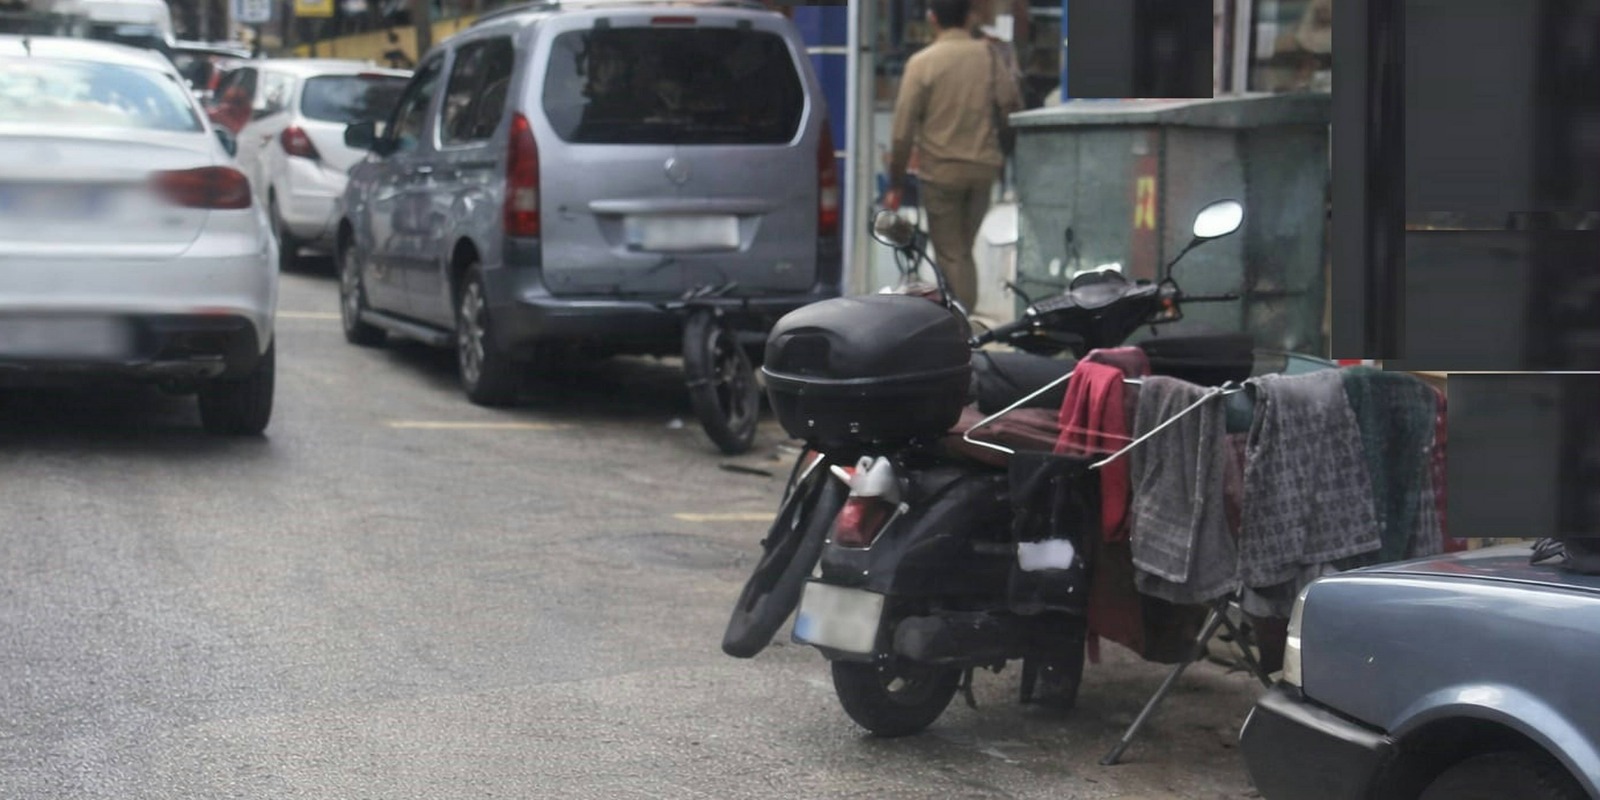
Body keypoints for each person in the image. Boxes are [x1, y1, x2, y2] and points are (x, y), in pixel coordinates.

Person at [884, 0, 1022, 314]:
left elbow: (902, 132)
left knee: (951, 252)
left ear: (932, 19)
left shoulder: (922, 63)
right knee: (962, 248)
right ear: (969, 17)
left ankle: (960, 324)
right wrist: (1002, 151)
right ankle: (961, 320)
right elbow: (1011, 107)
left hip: (941, 172)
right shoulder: (988, 56)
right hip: (983, 169)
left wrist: (895, 180)